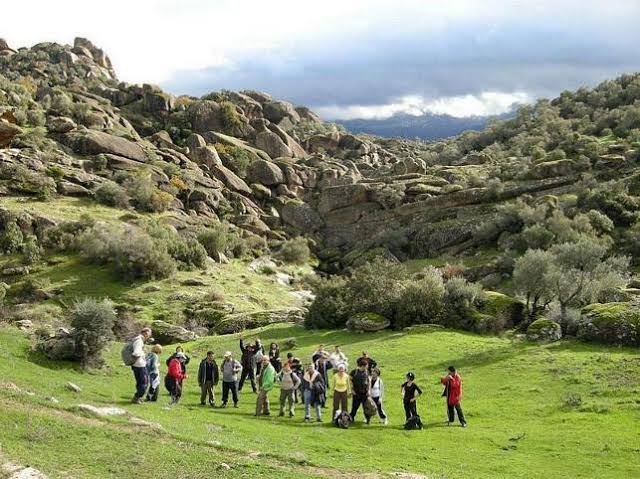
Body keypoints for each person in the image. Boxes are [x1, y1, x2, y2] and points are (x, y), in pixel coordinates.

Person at [129, 327, 152, 404]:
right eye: (148, 334)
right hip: (140, 365)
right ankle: (136, 397)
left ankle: (138, 398)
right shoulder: (139, 341)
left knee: (140, 382)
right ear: (145, 333)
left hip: (136, 365)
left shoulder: (137, 340)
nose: (148, 336)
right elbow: (136, 353)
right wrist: (142, 354)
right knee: (145, 383)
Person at [349, 359, 372, 424]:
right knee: (355, 406)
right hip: (356, 392)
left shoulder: (367, 372)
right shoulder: (354, 372)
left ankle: (367, 419)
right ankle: (351, 418)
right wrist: (352, 390)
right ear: (362, 366)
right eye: (366, 365)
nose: (367, 367)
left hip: (364, 392)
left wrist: (369, 390)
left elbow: (369, 381)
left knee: (366, 407)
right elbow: (350, 381)